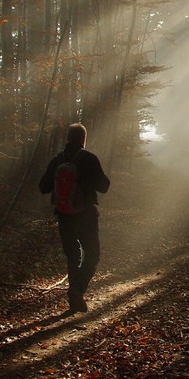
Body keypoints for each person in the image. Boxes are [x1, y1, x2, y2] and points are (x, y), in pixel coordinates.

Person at [39, 123, 110, 313]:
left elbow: (43, 187)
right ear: (83, 139)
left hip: (64, 216)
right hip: (86, 214)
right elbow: (104, 186)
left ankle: (75, 294)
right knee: (92, 255)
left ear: (67, 138)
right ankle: (77, 291)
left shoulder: (57, 160)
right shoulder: (89, 158)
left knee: (73, 256)